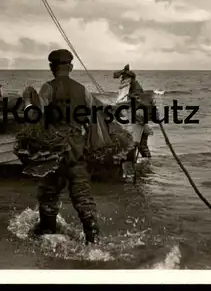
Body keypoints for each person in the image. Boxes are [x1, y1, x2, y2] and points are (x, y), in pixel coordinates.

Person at [25, 48, 111, 244]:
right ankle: (93, 242)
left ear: (51, 68)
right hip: (76, 152)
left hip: (53, 153)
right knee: (82, 196)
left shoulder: (48, 88)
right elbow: (98, 115)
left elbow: (34, 115)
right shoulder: (83, 90)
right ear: (71, 67)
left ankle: (48, 238)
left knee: (48, 195)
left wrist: (28, 101)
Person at [113, 64, 152, 158]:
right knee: (141, 146)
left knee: (135, 145)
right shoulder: (133, 87)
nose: (123, 80)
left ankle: (142, 165)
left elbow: (132, 103)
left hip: (137, 121)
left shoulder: (134, 88)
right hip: (139, 120)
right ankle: (145, 164)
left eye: (124, 78)